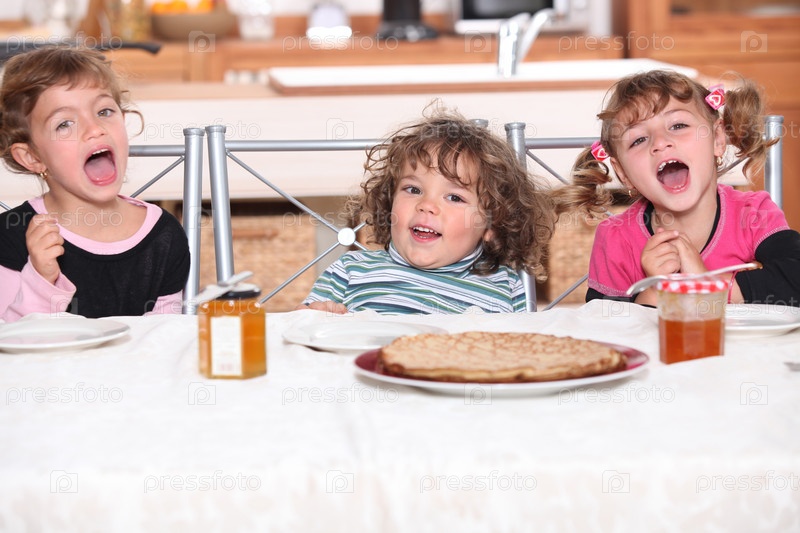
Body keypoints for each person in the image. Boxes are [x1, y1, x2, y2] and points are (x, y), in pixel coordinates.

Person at [556, 69, 800, 306]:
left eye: (678, 126)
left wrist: (705, 286)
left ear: (717, 139)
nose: (661, 142)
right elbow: (603, 323)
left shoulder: (753, 213)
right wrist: (654, 293)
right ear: (623, 174)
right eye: (638, 139)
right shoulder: (615, 237)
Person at [297, 109, 554, 314]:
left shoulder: (505, 286)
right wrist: (316, 317)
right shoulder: (350, 270)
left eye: (454, 197)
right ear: (389, 202)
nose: (427, 205)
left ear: (492, 225)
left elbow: (519, 351)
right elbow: (298, 335)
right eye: (413, 189)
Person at [0, 46, 190, 322]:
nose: (95, 129)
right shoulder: (10, 237)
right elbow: (9, 342)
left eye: (104, 111)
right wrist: (40, 278)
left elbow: (164, 337)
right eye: (64, 124)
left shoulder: (163, 235)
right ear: (32, 157)